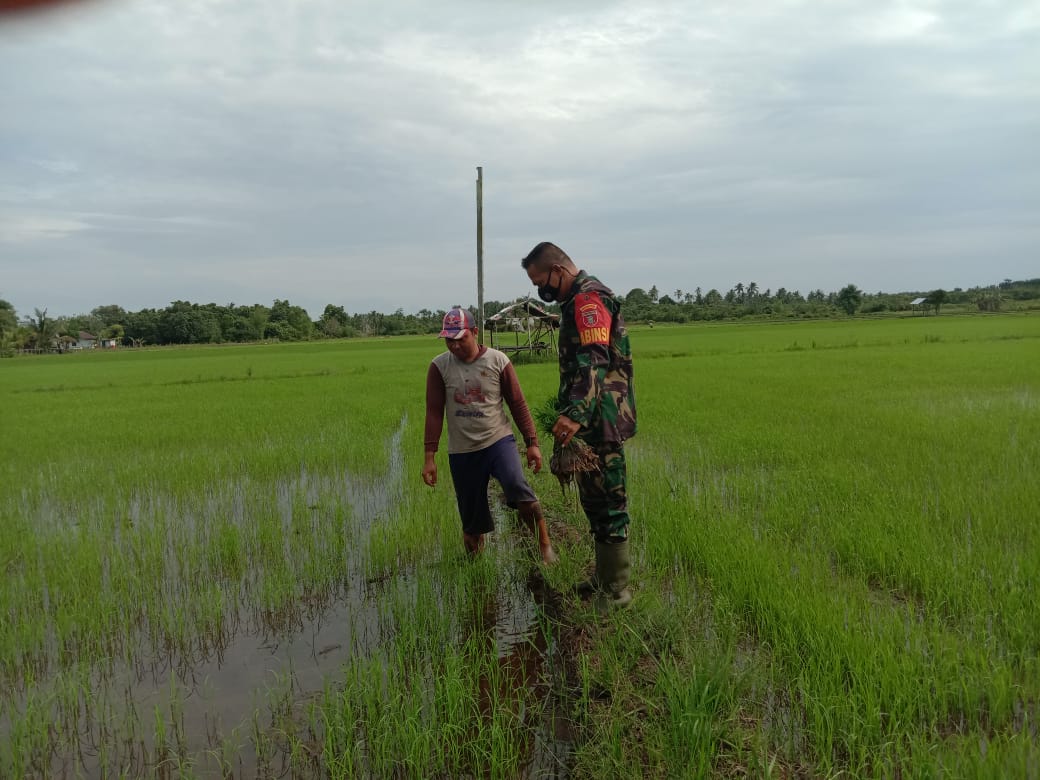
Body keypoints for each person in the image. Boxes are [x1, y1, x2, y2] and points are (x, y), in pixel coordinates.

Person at [521, 242, 637, 609]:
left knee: (609, 501)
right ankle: (603, 579)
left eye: (543, 282)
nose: (544, 290)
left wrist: (574, 413)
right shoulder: (576, 302)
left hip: (601, 417)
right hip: (590, 420)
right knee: (593, 499)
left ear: (558, 270)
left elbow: (593, 360)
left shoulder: (589, 301)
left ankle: (617, 591)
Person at [422, 306, 557, 564]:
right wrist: (430, 457)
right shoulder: (439, 367)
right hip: (462, 451)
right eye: (449, 340)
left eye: (460, 339)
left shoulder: (497, 361)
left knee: (518, 488)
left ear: (474, 333)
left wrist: (532, 443)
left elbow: (517, 403)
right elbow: (434, 412)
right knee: (471, 520)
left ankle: (545, 547)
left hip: (498, 441)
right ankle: (476, 568)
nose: (454, 346)